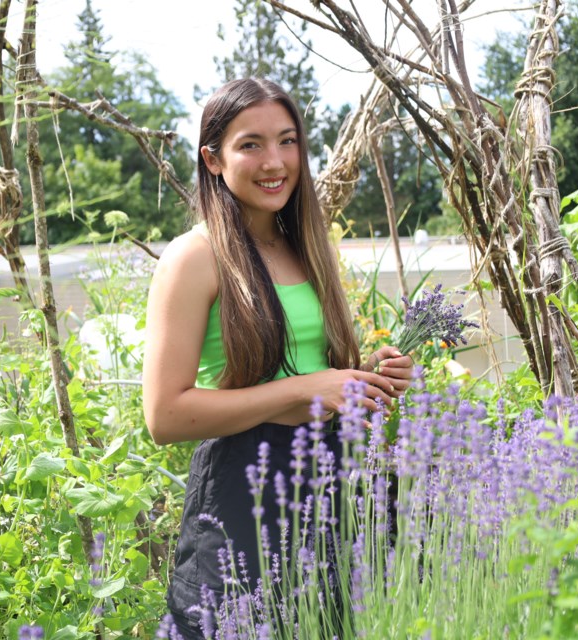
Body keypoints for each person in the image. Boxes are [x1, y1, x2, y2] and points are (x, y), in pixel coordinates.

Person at [142, 78, 413, 638]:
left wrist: (367, 378)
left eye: (288, 141)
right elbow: (163, 416)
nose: (276, 162)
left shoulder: (302, 244)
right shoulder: (194, 257)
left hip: (330, 478)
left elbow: (306, 367)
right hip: (245, 490)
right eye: (251, 145)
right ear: (213, 159)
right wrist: (303, 390)